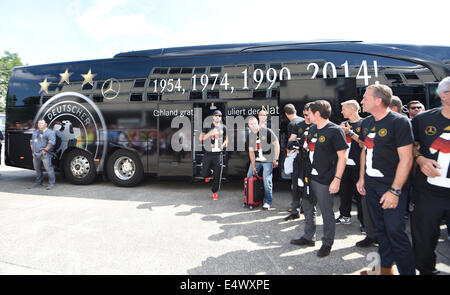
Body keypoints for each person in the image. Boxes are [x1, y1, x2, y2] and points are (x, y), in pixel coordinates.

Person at [357, 84, 415, 275]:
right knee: (381, 229)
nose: (362, 101)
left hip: (391, 187)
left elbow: (406, 159)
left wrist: (395, 191)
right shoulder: (366, 123)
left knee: (395, 232)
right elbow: (366, 150)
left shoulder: (399, 122)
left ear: (378, 101)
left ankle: (407, 271)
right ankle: (385, 269)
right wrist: (362, 177)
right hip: (371, 185)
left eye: (365, 97)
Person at [290, 100, 348, 258]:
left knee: (326, 212)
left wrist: (337, 179)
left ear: (317, 114)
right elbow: (307, 148)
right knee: (308, 207)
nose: (307, 115)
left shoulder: (335, 131)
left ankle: (327, 243)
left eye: (309, 113)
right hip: (309, 177)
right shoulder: (313, 128)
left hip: (325, 179)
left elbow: (343, 156)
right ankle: (308, 237)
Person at [410, 76, 450, 275]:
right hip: (429, 193)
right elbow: (410, 147)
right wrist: (420, 159)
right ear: (444, 95)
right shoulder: (423, 120)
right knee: (425, 239)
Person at [247, 116, 280, 210]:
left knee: (266, 180)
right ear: (248, 126)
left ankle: (267, 201)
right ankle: (252, 198)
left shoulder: (267, 131)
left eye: (254, 124)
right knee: (249, 176)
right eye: (251, 124)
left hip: (268, 160)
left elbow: (276, 144)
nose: (253, 126)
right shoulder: (250, 136)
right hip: (257, 160)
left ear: (257, 124)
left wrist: (276, 159)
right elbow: (251, 152)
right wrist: (253, 166)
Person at [283, 104, 305, 220]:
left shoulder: (292, 124)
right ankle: (303, 206)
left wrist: (287, 152)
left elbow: (291, 140)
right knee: (302, 182)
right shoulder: (303, 120)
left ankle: (296, 207)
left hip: (295, 156)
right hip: (305, 155)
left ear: (286, 114)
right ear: (295, 110)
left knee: (295, 182)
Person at [199, 110, 227, 200]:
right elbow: (201, 138)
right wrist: (210, 133)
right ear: (213, 117)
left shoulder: (224, 127)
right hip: (208, 153)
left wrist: (224, 144)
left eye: (219, 115)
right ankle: (209, 173)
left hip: (218, 154)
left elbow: (227, 139)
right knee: (203, 173)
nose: (217, 117)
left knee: (218, 175)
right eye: (216, 115)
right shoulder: (207, 127)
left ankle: (215, 192)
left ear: (221, 118)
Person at [30, 119, 56, 190]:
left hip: (45, 154)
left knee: (48, 169)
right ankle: (39, 182)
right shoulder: (35, 132)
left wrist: (44, 151)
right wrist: (33, 151)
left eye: (42, 123)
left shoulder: (50, 132)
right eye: (39, 123)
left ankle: (52, 183)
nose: (40, 125)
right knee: (37, 169)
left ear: (45, 124)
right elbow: (31, 142)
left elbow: (52, 143)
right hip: (35, 154)